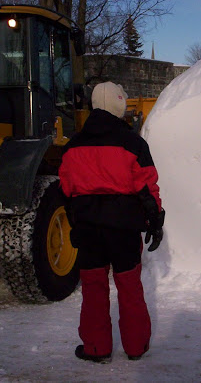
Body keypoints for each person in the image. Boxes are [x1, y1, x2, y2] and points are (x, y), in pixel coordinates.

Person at [58, 81, 165, 363]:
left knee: (93, 287)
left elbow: (66, 188)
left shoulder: (73, 145)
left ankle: (96, 348)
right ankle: (136, 346)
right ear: (119, 105)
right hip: (124, 228)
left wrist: (75, 219)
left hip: (89, 228)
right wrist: (155, 220)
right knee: (129, 287)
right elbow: (147, 187)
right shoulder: (133, 143)